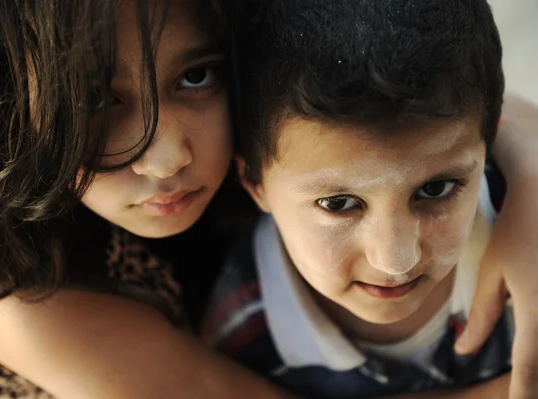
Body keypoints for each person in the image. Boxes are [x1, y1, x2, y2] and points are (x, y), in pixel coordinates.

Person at [0, 0, 537, 398]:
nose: (168, 155)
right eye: (96, 100)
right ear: (8, 109)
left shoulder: (249, 137)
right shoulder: (20, 301)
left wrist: (531, 186)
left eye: (195, 76)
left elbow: (441, 109)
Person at [203, 0, 517, 397]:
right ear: (254, 182)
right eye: (338, 204)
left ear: (490, 145)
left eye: (435, 190)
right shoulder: (239, 338)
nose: (395, 259)